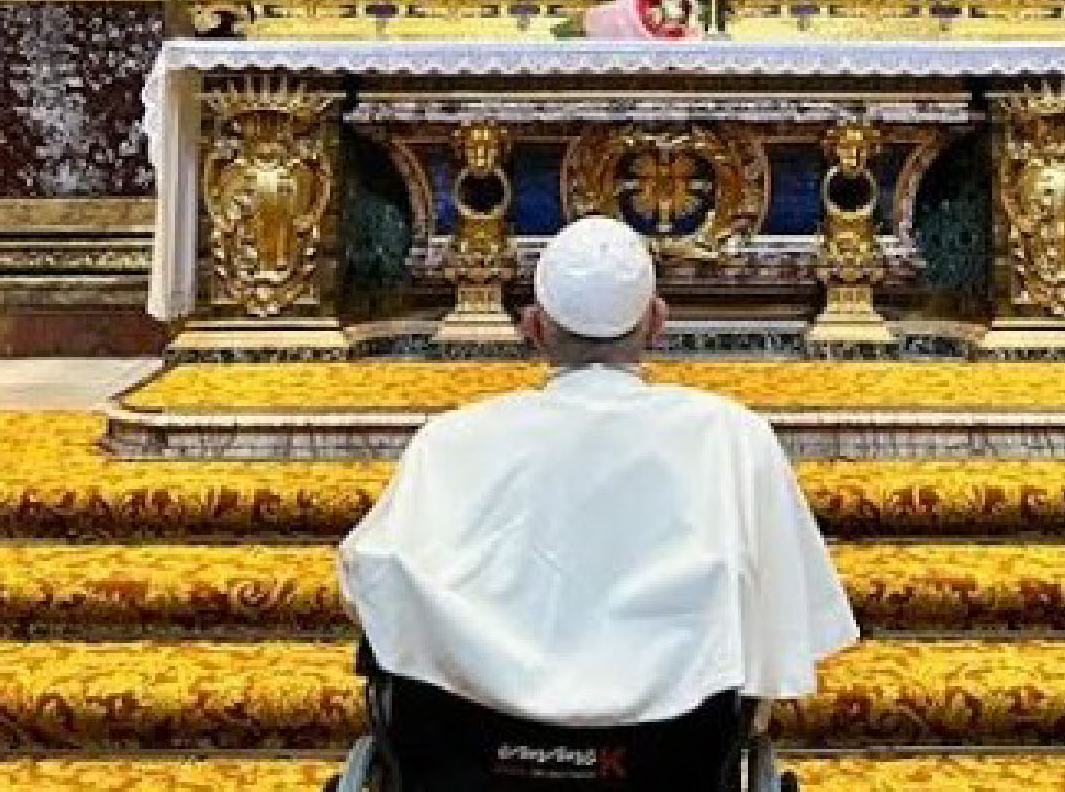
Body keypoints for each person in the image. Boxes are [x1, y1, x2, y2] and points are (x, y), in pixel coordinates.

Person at [336, 215, 857, 764]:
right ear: (657, 323)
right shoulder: (730, 437)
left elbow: (369, 584)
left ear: (532, 327)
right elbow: (780, 614)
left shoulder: (450, 440)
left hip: (471, 755)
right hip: (671, 758)